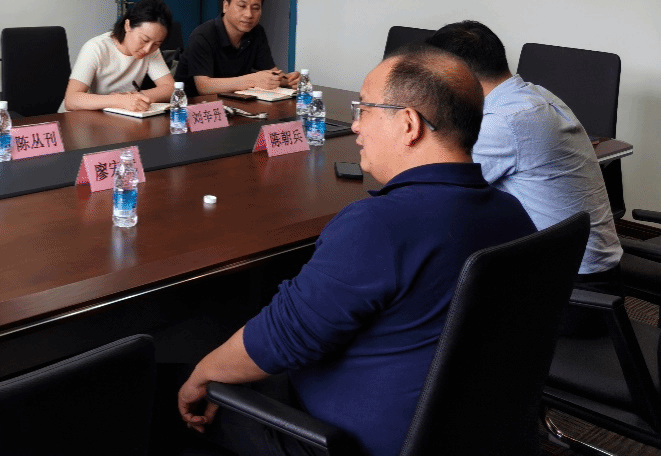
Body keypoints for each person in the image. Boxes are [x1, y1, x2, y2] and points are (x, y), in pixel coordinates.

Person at [175, 46, 535, 456]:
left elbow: (282, 338)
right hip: (476, 428)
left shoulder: (380, 225)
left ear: (409, 124)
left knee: (180, 390)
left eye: (364, 109)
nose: (356, 125)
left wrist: (201, 374)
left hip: (346, 441)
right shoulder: (512, 213)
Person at [426, 20, 622, 289]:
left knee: (431, 260)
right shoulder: (534, 96)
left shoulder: (504, 122)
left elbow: (436, 188)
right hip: (587, 267)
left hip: (569, 286)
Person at [177, 0, 298, 98]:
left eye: (255, 8)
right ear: (226, 6)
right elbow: (204, 86)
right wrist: (253, 80)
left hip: (234, 101)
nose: (249, 14)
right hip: (195, 104)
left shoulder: (257, 32)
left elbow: (273, 73)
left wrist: (289, 80)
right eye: (242, 6)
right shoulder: (203, 35)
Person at [64, 0, 176, 112]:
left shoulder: (152, 51)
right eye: (144, 40)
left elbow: (170, 88)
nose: (147, 49)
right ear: (127, 25)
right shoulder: (96, 48)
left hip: (119, 116)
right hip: (84, 116)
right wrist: (119, 100)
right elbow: (71, 100)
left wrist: (134, 97)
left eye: (157, 44)